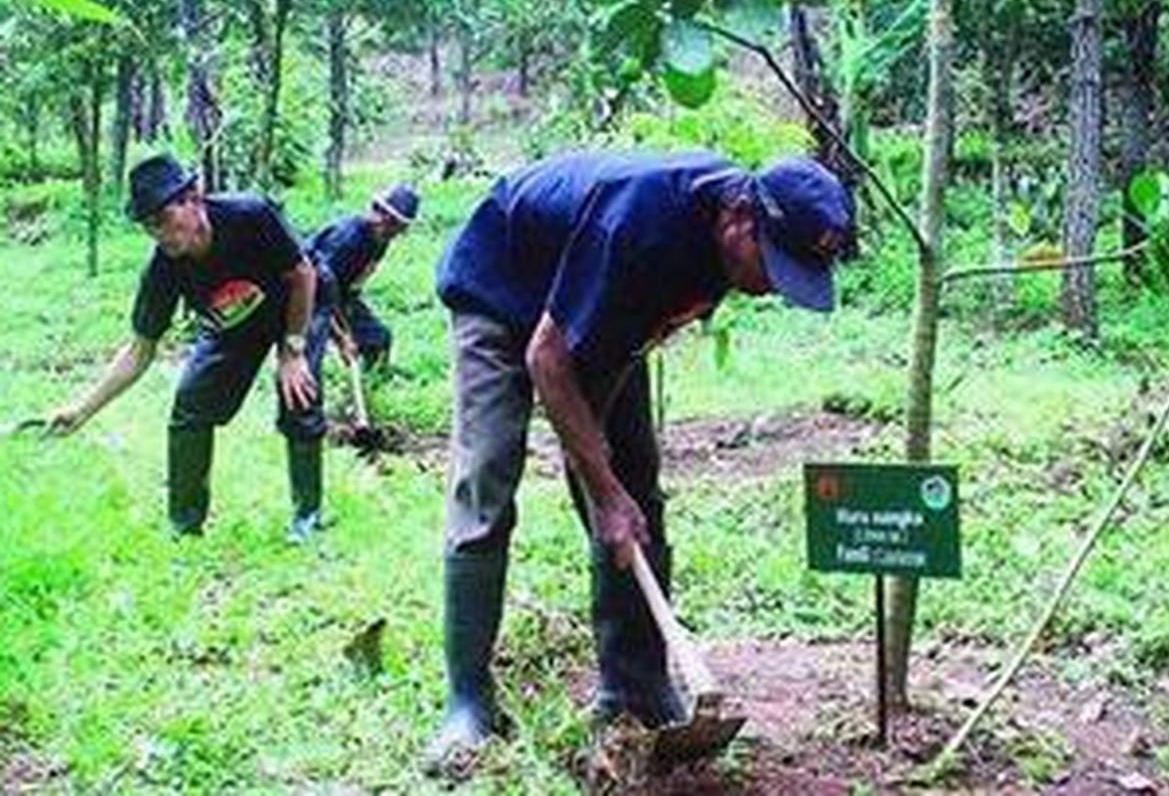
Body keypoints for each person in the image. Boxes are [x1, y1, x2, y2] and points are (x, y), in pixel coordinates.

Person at [422, 149, 854, 774]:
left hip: (587, 312)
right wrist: (598, 482)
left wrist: (607, 480)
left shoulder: (721, 254)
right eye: (774, 264)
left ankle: (634, 686)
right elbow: (547, 357)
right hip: (503, 289)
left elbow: (628, 335)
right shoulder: (638, 225)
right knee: (486, 479)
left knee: (632, 490)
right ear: (739, 218)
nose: (772, 288)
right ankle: (467, 701)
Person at [48, 154, 325, 543]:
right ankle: (184, 525)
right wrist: (81, 410)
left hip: (297, 303)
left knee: (299, 395)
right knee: (191, 405)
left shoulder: (250, 215)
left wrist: (292, 351)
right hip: (234, 321)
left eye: (163, 219)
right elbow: (140, 350)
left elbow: (302, 274)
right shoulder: (164, 268)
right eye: (149, 226)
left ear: (194, 198)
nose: (159, 234)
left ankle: (308, 516)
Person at [304, 184, 420, 374]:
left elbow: (352, 287)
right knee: (309, 360)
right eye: (381, 213)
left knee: (379, 339)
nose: (383, 222)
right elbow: (320, 289)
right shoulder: (347, 239)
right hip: (307, 296)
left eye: (397, 226)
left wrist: (350, 327)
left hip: (341, 296)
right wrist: (342, 337)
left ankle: (373, 382)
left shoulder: (381, 240)